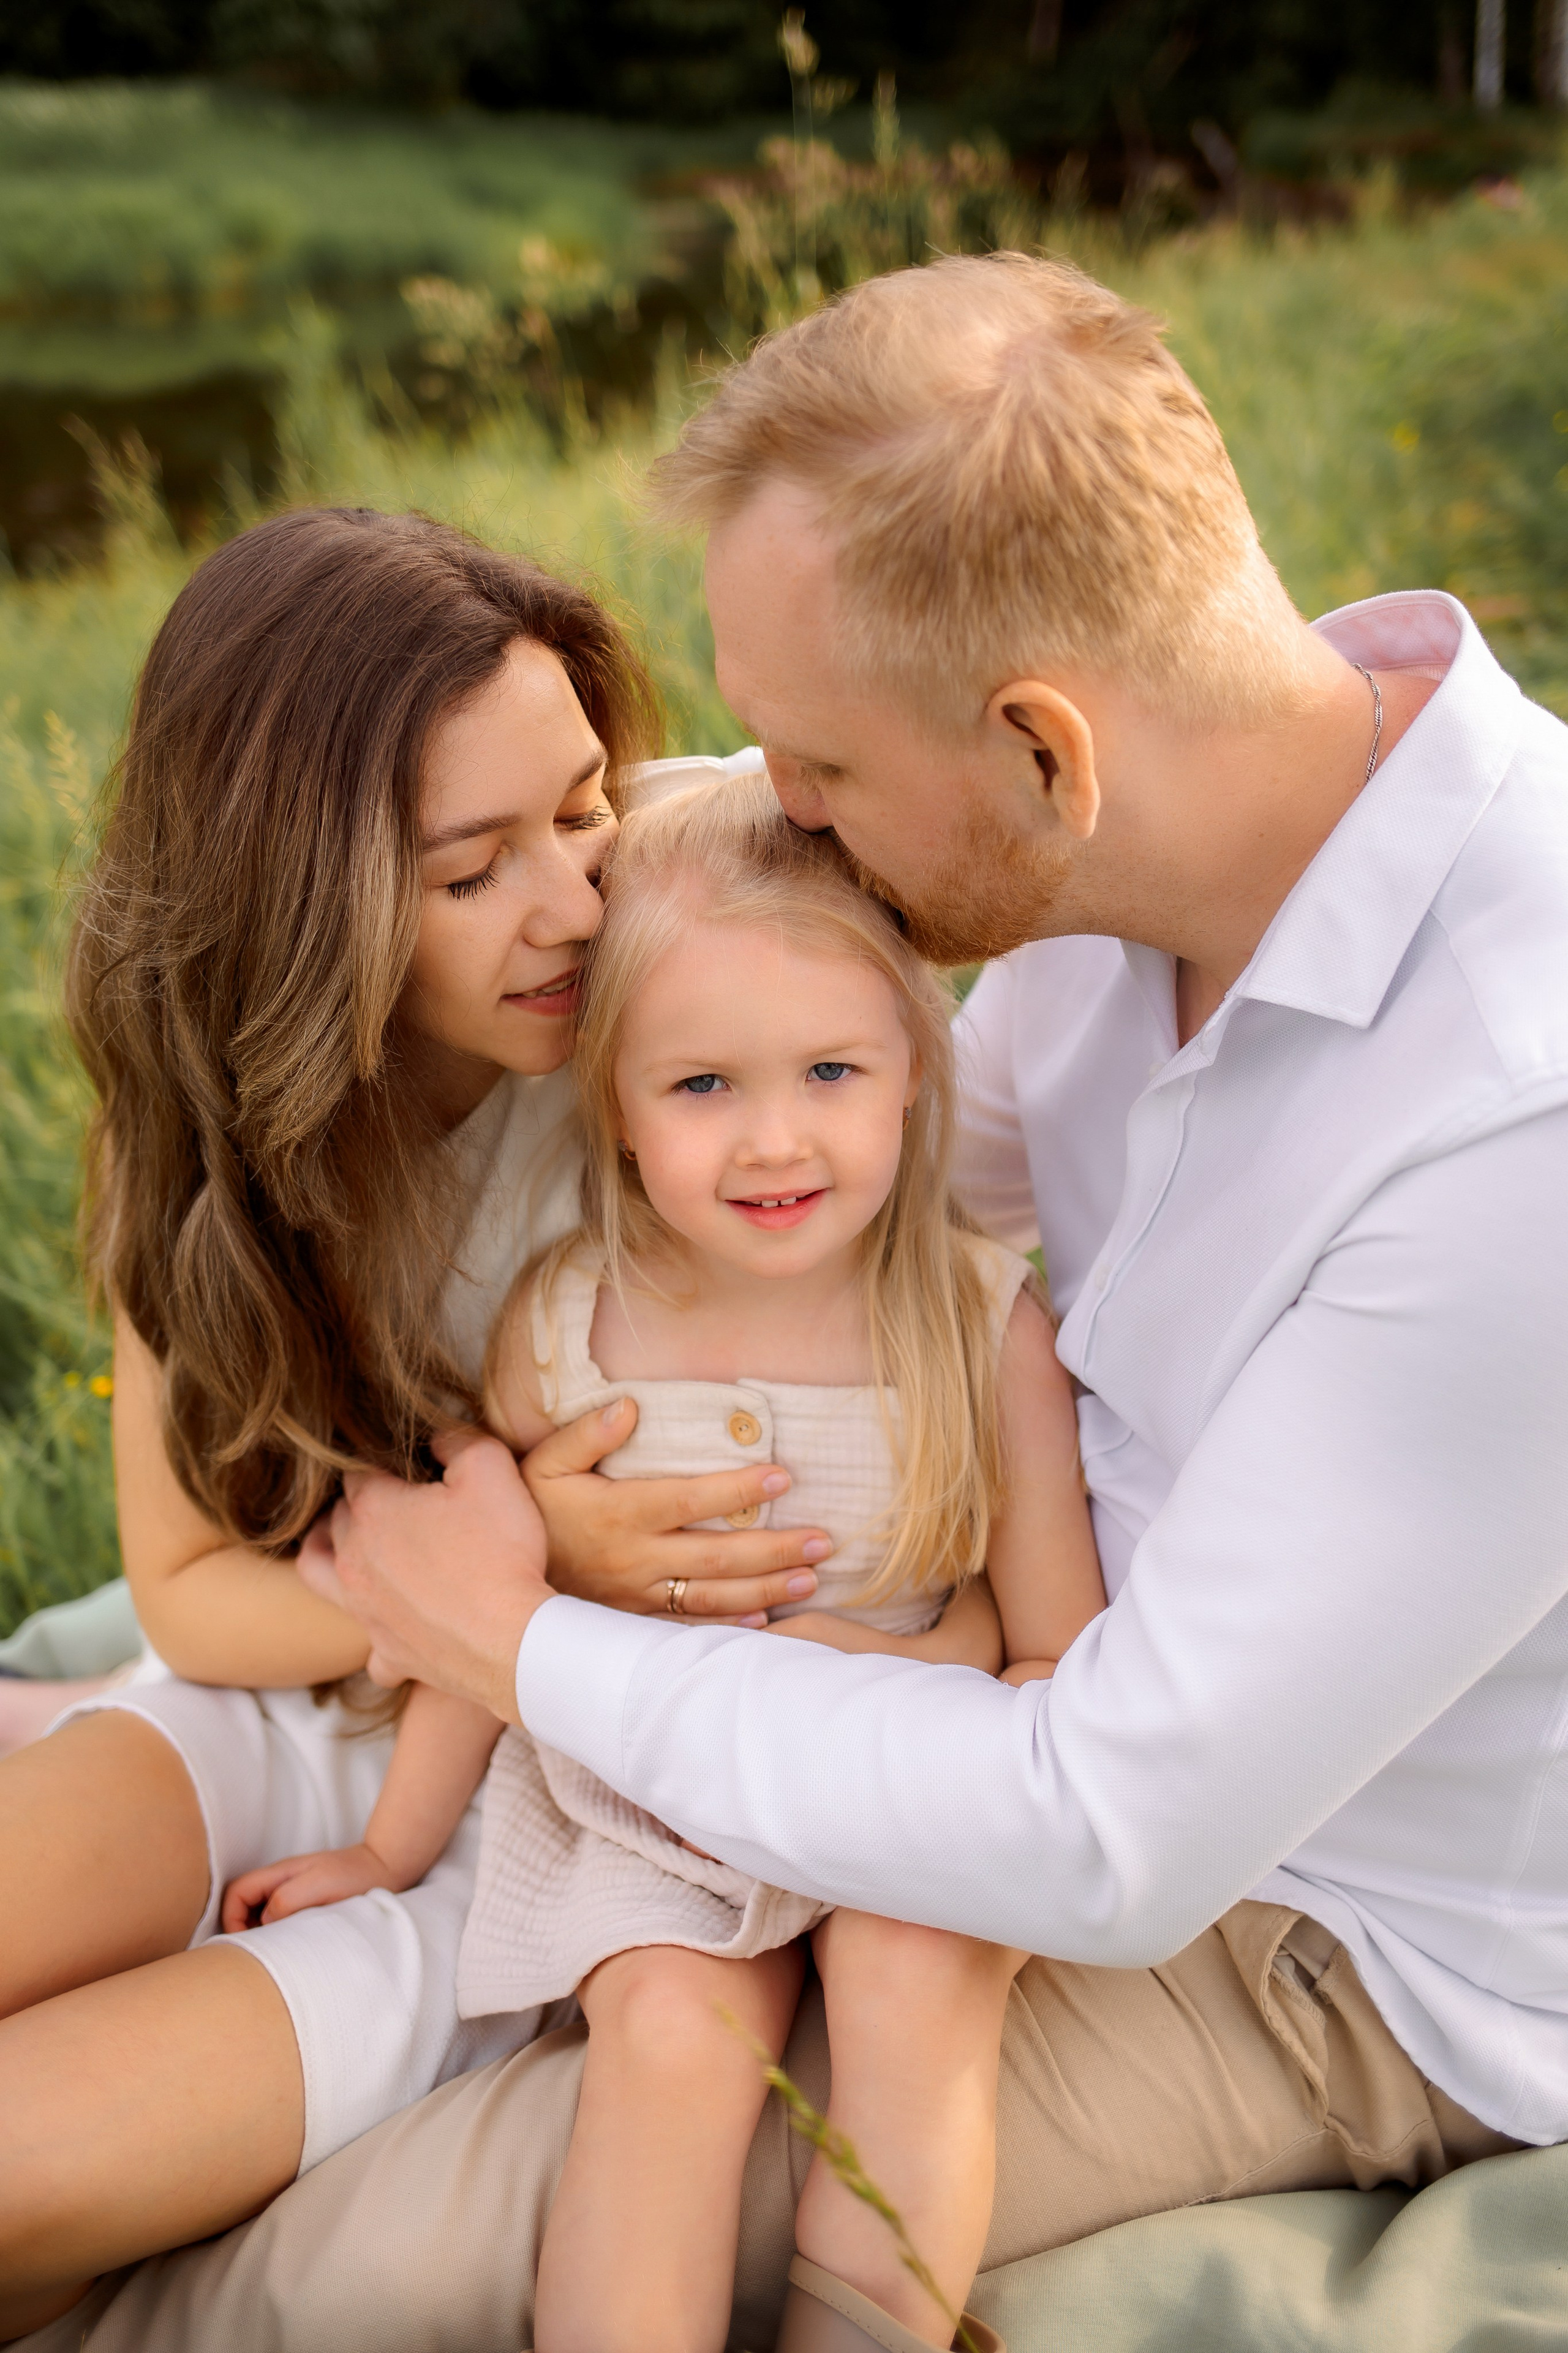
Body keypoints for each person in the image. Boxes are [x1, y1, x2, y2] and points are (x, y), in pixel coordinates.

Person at [13, 249, 1567, 2350]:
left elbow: (1104, 1824)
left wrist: (531, 1634)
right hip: (876, 1705)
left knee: (353, 2261)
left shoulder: (1510, 1120)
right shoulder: (1115, 887)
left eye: (811, 769)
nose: (759, 819)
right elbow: (782, 1121)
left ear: (1040, 748)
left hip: (1312, 1920)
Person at [0, 510, 829, 2345]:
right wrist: (500, 1562)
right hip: (280, 1700)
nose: (574, 901)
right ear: (309, 902)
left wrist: (540, 1612)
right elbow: (193, 1586)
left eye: (582, 802)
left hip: (533, 1815)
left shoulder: (701, 916)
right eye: (473, 870)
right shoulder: (208, 1113)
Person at [219, 771, 1103, 2353]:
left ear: (914, 1063)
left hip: (905, 1779)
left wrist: (929, 1693)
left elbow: (1060, 1659)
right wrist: (387, 1847)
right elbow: (490, 1630)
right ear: (612, 1100)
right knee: (671, 2032)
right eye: (701, 1084)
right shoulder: (567, 1328)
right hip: (661, 1812)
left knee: (915, 1981)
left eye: (831, 1068)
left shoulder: (980, 1326)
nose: (776, 1137)